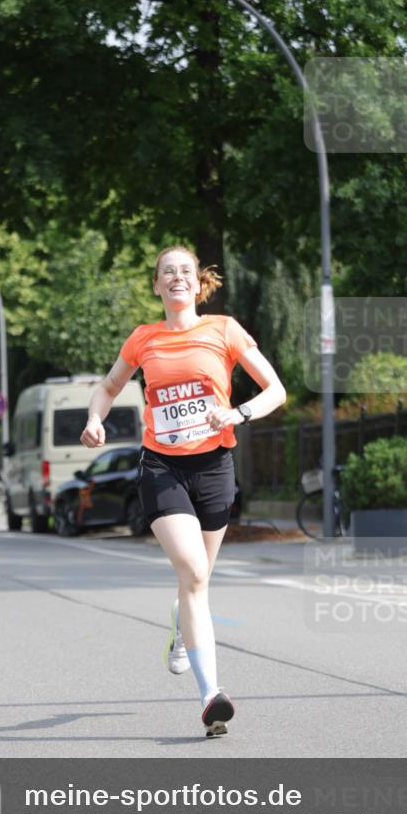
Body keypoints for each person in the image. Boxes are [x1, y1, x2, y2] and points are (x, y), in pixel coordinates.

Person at [80, 245, 286, 737]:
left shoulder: (223, 330)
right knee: (193, 572)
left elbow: (275, 390)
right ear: (157, 286)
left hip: (214, 467)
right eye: (166, 272)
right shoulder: (143, 339)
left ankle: (179, 623)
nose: (176, 278)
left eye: (185, 272)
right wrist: (94, 418)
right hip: (162, 468)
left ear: (198, 285)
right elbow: (108, 387)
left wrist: (237, 414)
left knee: (197, 584)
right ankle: (211, 696)